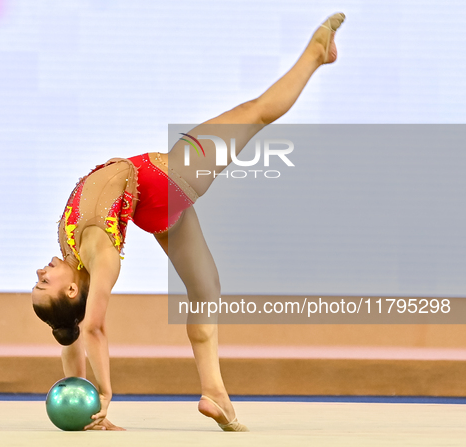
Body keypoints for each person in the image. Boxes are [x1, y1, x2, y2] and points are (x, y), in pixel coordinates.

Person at [31, 12, 346, 431]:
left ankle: (215, 393)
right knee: (255, 113)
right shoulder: (98, 253)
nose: (40, 270)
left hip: (150, 204)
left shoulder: (71, 255)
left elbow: (71, 330)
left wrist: (80, 392)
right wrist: (104, 394)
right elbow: (94, 325)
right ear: (72, 287)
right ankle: (315, 54)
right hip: (164, 182)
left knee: (205, 288)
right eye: (43, 283)